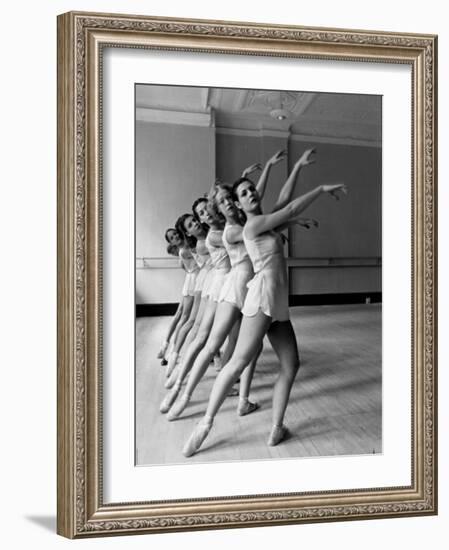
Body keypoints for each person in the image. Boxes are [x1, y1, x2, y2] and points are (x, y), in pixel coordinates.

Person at [182, 168, 346, 457]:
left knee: (291, 364)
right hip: (261, 298)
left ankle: (276, 428)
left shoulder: (262, 224)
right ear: (239, 204)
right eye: (243, 193)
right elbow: (291, 207)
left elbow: (284, 202)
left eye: (252, 190)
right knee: (238, 362)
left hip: (278, 301)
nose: (251, 194)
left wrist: (296, 168)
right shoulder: (250, 227)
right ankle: (205, 424)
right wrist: (319, 189)